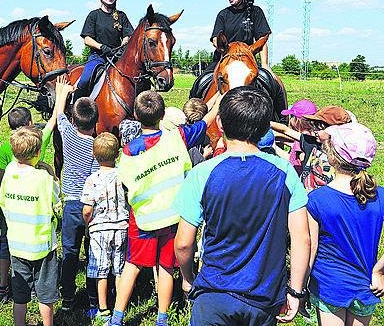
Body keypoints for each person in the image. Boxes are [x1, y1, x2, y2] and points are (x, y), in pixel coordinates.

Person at [173, 86, 311, 326]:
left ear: (220, 123)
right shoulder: (285, 173)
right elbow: (302, 239)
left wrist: (187, 278)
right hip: (264, 296)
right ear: (264, 128)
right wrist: (296, 290)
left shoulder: (201, 174)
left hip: (213, 294)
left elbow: (184, 243)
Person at [108, 90, 221, 326]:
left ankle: (116, 317)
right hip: (172, 217)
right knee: (166, 267)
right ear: (162, 115)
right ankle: (162, 318)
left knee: (133, 265)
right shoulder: (176, 137)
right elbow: (206, 120)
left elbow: (126, 183)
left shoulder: (128, 151)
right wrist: (220, 93)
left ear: (136, 115)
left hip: (143, 219)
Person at [307, 122, 384, 326]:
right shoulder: (380, 196)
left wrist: (299, 287)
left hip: (329, 284)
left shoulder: (317, 199)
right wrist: (380, 270)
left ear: (333, 157)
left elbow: (311, 248)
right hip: (366, 284)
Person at [0, 103, 59, 303]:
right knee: (43, 273)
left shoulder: (7, 149)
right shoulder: (40, 151)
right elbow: (52, 122)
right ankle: (39, 293)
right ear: (30, 124)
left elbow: (0, 177)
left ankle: (4, 285)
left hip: (13, 224)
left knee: (4, 246)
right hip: (39, 238)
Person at [55, 79, 101, 313]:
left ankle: (67, 298)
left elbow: (58, 115)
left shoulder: (68, 136)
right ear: (95, 124)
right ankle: (94, 300)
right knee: (92, 252)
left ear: (73, 121)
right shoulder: (96, 147)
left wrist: (62, 92)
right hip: (90, 206)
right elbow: (94, 180)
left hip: (71, 205)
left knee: (70, 252)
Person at [81, 132, 130, 322]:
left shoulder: (92, 180)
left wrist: (88, 224)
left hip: (99, 229)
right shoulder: (123, 176)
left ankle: (103, 308)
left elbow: (87, 210)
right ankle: (119, 306)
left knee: (100, 270)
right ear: (117, 154)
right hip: (121, 226)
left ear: (94, 154)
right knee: (119, 269)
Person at [76, 0, 134, 99]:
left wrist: (121, 47)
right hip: (98, 56)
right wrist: (102, 47)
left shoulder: (121, 16)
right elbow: (87, 39)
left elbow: (127, 35)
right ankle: (75, 106)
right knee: (85, 80)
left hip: (117, 56)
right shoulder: (94, 15)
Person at [271, 105, 351, 191]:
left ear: (331, 130)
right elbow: (285, 130)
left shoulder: (342, 157)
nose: (314, 130)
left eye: (318, 128)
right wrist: (264, 122)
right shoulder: (312, 142)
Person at [209, 0, 271, 71]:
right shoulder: (223, 14)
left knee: (269, 82)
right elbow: (215, 38)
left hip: (247, 60)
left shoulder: (256, 12)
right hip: (223, 59)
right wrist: (221, 45)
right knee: (201, 82)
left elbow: (262, 40)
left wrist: (265, 64)